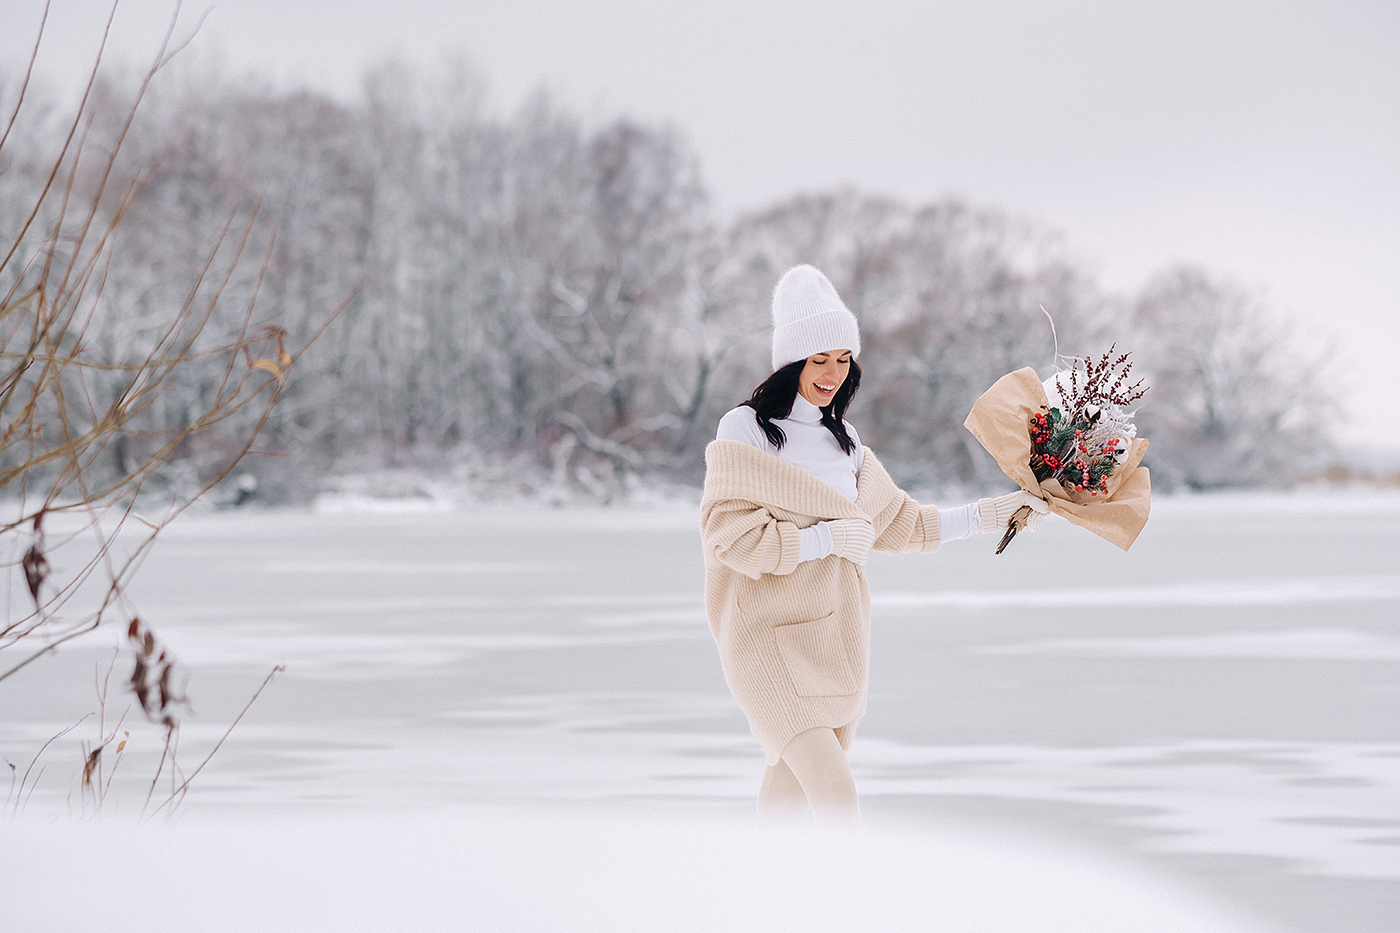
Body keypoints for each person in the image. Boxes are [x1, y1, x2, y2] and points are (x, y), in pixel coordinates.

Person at [700, 264, 1047, 825]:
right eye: (819, 359)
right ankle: (856, 904)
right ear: (790, 361)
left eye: (843, 360)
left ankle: (760, 897)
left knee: (786, 797)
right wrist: (824, 540)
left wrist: (991, 514)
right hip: (765, 637)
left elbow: (902, 524)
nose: (832, 373)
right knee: (838, 797)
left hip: (832, 639)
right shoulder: (744, 430)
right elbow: (731, 538)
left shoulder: (846, 443)